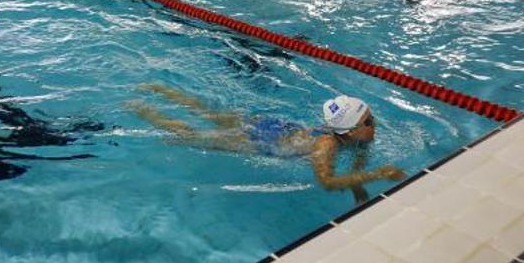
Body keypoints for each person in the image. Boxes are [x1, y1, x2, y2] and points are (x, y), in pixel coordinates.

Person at [128, 84, 406, 192]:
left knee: (209, 112)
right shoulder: (327, 144)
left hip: (274, 126)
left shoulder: (352, 137)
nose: (375, 123)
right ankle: (143, 110)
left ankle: (161, 89)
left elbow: (360, 153)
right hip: (265, 142)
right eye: (369, 121)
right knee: (193, 136)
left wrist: (357, 186)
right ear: (351, 131)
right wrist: (378, 174)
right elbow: (328, 182)